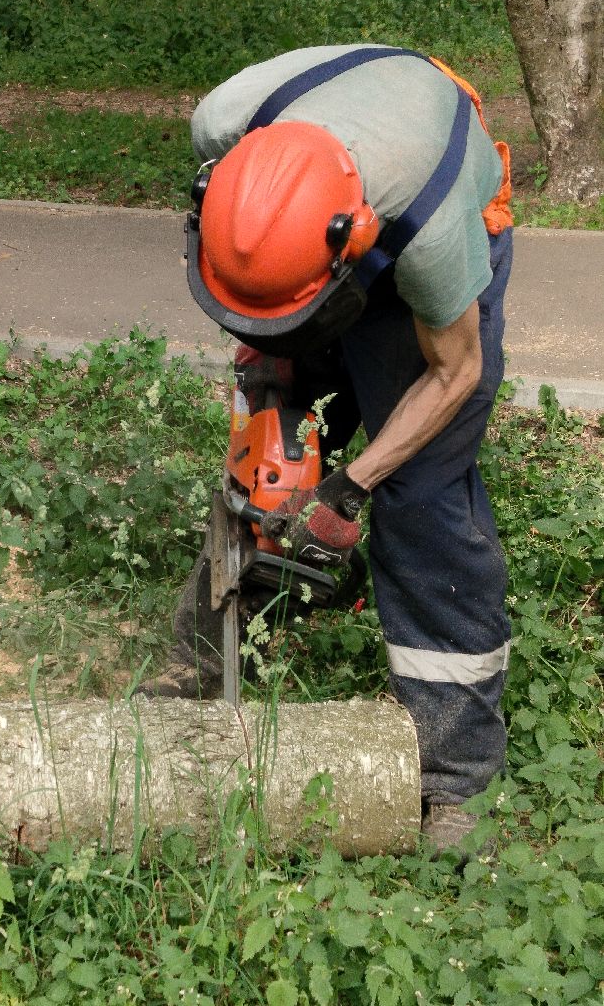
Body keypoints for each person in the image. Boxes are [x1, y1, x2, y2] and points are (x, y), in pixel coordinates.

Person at [142, 44, 514, 854]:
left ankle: (455, 771)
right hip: (304, 247)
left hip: (420, 234)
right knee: (271, 465)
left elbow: (455, 372)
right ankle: (197, 659)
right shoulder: (223, 127)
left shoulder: (431, 229)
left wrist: (348, 487)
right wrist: (270, 401)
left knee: (420, 499)